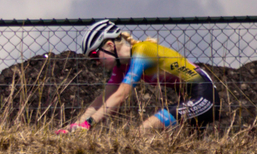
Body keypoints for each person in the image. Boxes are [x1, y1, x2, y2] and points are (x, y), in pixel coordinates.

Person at [71, 21, 215, 136]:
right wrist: (75, 125)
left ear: (110, 45)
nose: (95, 62)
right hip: (188, 98)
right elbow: (104, 98)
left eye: (95, 55)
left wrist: (89, 124)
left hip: (206, 97)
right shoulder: (122, 66)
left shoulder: (142, 52)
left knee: (141, 133)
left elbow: (121, 96)